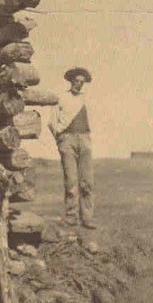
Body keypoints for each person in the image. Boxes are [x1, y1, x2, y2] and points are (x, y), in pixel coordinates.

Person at [49, 67, 97, 229]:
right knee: (71, 181)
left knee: (87, 181)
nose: (79, 84)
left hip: (84, 139)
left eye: (82, 82)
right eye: (76, 81)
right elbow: (52, 122)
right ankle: (71, 216)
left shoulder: (86, 98)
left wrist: (87, 137)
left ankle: (87, 217)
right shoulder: (62, 98)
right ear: (71, 81)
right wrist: (60, 139)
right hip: (67, 140)